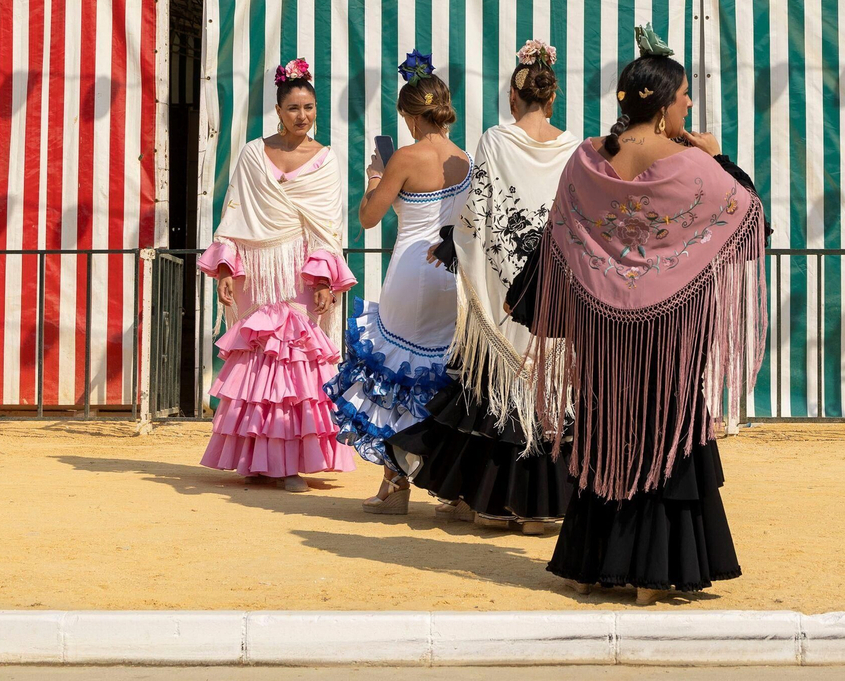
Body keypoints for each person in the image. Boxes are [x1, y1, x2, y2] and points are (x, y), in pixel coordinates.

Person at [523, 25, 769, 604]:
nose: (690, 106)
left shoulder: (586, 160)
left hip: (603, 330)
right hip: (669, 332)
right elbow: (752, 223)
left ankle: (591, 565)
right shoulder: (691, 164)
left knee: (607, 426)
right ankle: (653, 572)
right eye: (684, 97)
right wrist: (716, 154)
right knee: (666, 426)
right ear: (663, 107)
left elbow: (559, 236)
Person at [389, 39, 581, 534]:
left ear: (513, 99)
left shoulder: (496, 140)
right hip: (552, 284)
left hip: (502, 283)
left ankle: (495, 502)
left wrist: (455, 245)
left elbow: (478, 209)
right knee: (548, 387)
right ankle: (543, 506)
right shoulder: (574, 146)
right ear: (552, 99)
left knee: (497, 386)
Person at [197, 58, 357, 490]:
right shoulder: (253, 153)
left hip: (300, 269)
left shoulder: (326, 160)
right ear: (278, 110)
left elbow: (328, 225)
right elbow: (233, 212)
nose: (302, 116)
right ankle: (258, 458)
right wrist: (226, 267)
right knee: (259, 362)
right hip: (256, 270)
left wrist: (324, 279)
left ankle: (292, 464)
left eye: (309, 107)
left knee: (296, 361)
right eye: (293, 108)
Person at [325, 50, 471, 514]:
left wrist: (373, 177)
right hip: (453, 274)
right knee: (443, 376)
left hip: (411, 271)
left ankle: (394, 485)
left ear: (408, 115)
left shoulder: (405, 156)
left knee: (396, 371)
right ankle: (452, 487)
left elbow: (369, 217)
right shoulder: (464, 159)